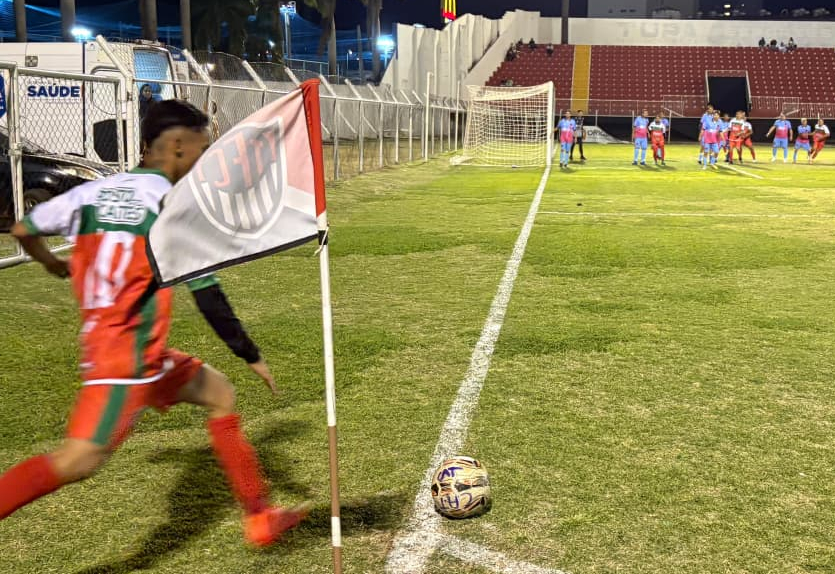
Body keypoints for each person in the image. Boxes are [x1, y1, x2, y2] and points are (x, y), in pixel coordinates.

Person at [0, 100, 309, 547]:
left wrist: (52, 263)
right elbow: (207, 295)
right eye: (202, 149)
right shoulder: (172, 207)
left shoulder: (96, 192)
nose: (203, 160)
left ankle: (260, 516)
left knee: (219, 394)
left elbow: (24, 230)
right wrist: (250, 354)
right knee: (76, 461)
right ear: (179, 146)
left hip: (140, 352)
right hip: (123, 363)